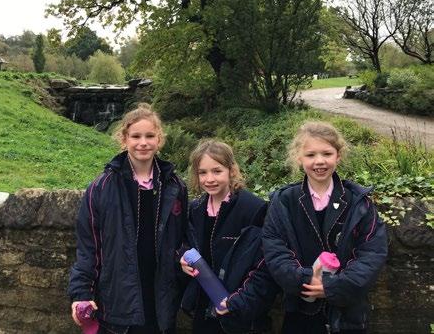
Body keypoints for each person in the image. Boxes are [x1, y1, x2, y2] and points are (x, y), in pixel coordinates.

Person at [68, 103, 188, 334]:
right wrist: (81, 292)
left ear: (159, 139)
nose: (143, 142)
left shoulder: (175, 186)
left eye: (150, 136)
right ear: (124, 139)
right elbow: (89, 246)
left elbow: (183, 237)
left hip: (160, 298)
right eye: (136, 136)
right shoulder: (102, 187)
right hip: (117, 298)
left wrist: (182, 257)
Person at [262, 121, 388, 334]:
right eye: (311, 155)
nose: (319, 161)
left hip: (347, 315)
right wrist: (305, 280)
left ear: (338, 156)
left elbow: (372, 253)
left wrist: (334, 286)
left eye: (327, 154)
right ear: (299, 158)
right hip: (300, 311)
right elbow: (275, 249)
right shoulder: (284, 201)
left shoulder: (358, 202)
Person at [180, 140, 278, 334]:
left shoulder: (254, 209)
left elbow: (265, 266)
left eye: (217, 171)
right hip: (203, 309)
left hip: (240, 315)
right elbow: (184, 244)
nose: (209, 179)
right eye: (202, 173)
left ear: (231, 170)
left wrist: (238, 302)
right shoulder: (195, 209)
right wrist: (182, 258)